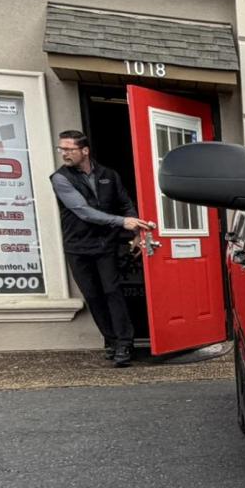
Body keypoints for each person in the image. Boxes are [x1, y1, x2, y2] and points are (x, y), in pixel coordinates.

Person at [51, 130, 152, 367]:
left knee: (112, 291)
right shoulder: (60, 178)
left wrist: (137, 231)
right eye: (61, 149)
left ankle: (125, 344)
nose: (64, 153)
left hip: (105, 245)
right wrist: (121, 222)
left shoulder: (108, 175)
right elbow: (82, 211)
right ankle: (112, 340)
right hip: (78, 247)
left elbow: (125, 203)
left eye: (69, 149)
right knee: (94, 296)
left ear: (84, 151)